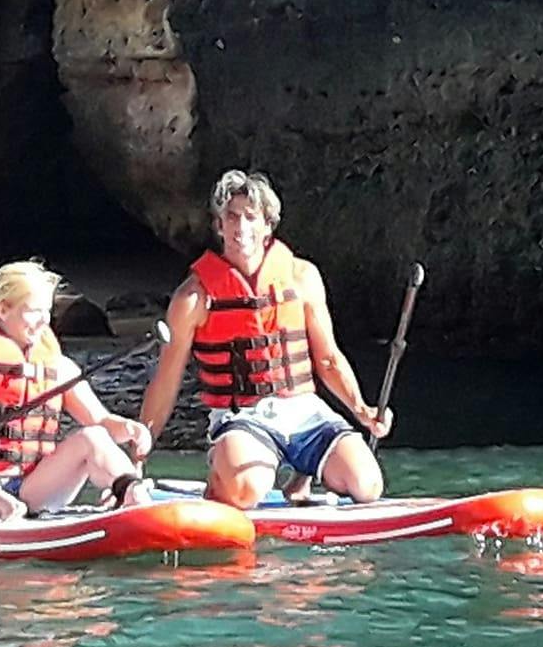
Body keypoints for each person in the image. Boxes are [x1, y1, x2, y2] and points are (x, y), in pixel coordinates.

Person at [135, 169, 392, 509]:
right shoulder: (193, 298)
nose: (241, 227)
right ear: (219, 226)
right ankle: (221, 475)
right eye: (232, 217)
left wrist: (363, 410)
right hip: (241, 415)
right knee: (244, 490)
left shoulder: (302, 277)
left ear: (267, 226)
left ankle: (302, 473)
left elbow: (328, 359)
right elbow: (167, 380)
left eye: (251, 218)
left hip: (304, 412)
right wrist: (138, 452)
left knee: (367, 485)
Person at [0, 260, 153, 518]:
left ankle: (130, 491)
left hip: (34, 489)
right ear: (4, 311)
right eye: (34, 311)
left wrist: (129, 430)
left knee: (93, 436)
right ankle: (2, 504)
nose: (44, 321)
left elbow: (101, 423)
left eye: (47, 311)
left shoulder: (60, 368)